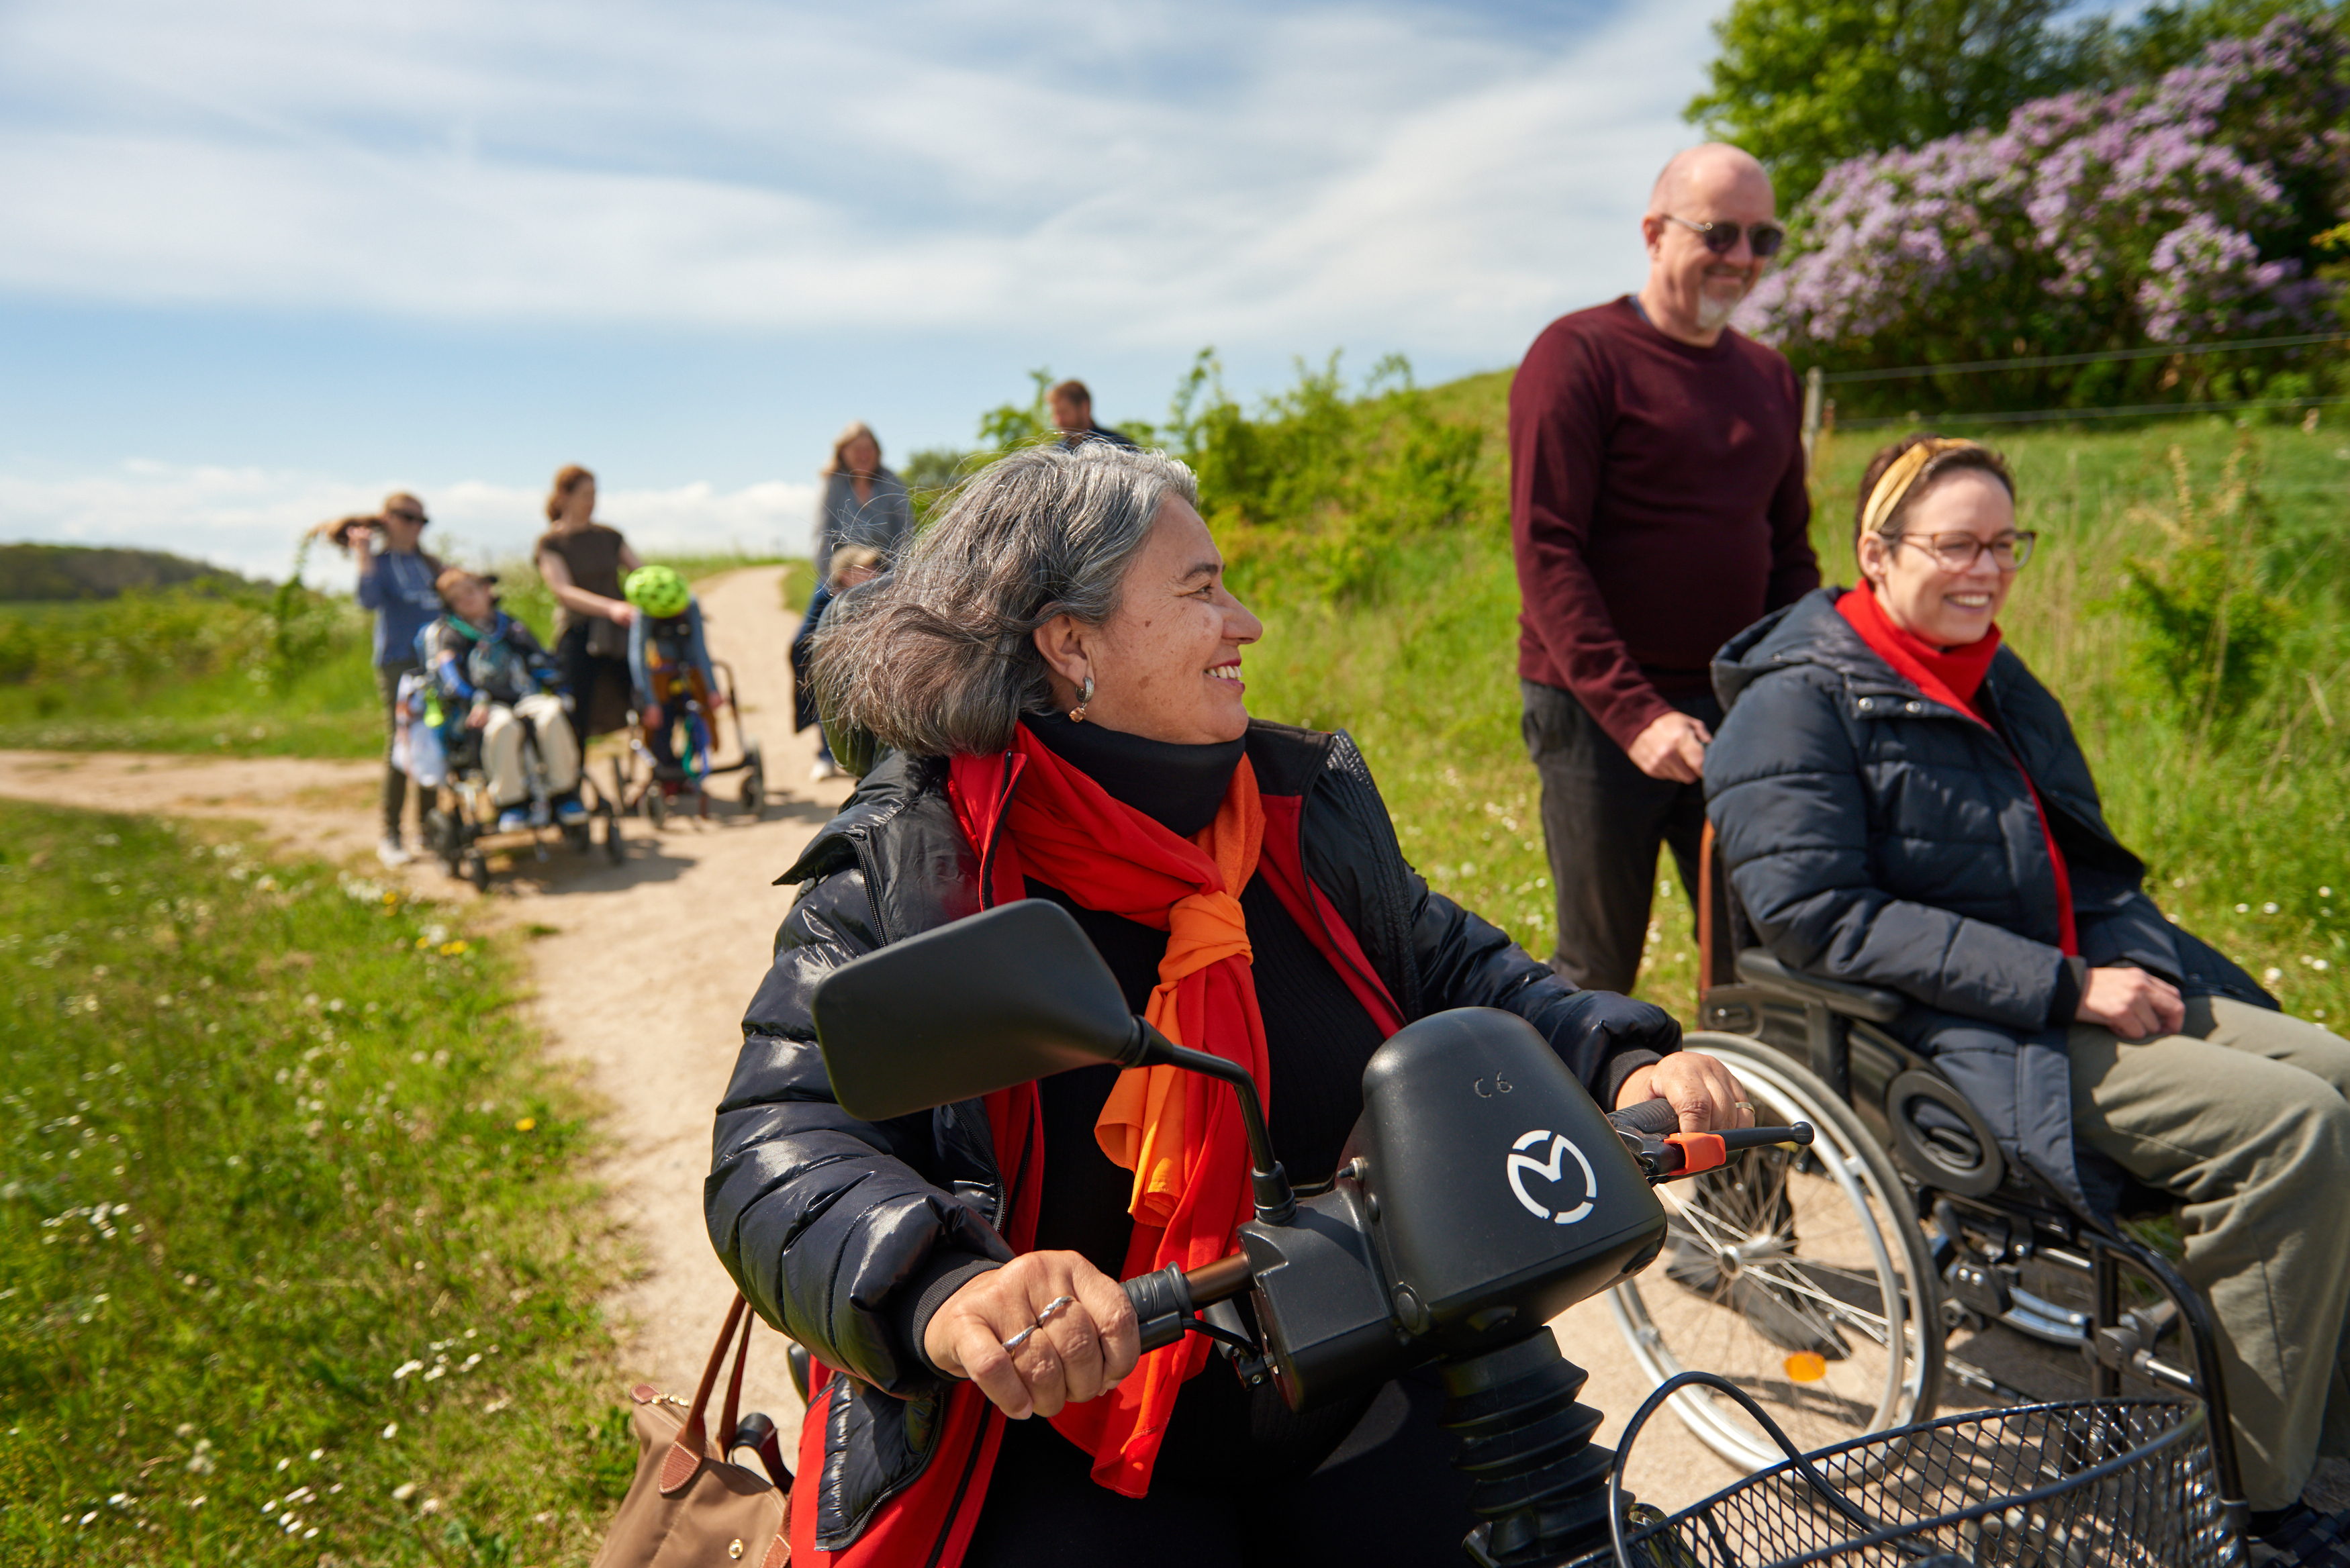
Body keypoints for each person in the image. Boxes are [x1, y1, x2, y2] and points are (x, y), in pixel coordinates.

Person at [706, 444, 1752, 1568]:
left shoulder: (1297, 812)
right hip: (1043, 1427)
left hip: (1355, 1357)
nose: (1245, 623)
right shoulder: (909, 871)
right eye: (1202, 590)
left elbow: (1459, 970)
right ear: (1070, 645)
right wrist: (951, 1290)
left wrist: (1621, 1058)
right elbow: (778, 1145)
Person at [1704, 433, 2350, 1562]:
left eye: (2007, 544)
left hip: (2069, 979)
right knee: (2294, 1127)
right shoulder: (1796, 705)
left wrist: (2130, 963)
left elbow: (2079, 862)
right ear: (1876, 552)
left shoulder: (1992, 675)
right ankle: (2249, 1499)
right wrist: (2067, 986)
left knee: (2339, 1070)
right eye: (1958, 545)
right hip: (1956, 1027)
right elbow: (1818, 917)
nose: (1989, 570)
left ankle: (2316, 1410)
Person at [1509, 142, 1819, 993]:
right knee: (1598, 964)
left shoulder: (1769, 376)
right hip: (1594, 710)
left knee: (1752, 948)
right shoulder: (1576, 355)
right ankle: (1592, 1084)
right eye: (1719, 233)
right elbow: (1546, 548)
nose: (1742, 258)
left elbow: (1790, 550)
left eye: (1763, 239)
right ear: (1653, 233)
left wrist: (1788, 684)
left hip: (1734, 705)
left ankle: (1737, 1080)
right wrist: (1633, 712)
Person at [421, 569, 585, 834]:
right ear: (449, 605)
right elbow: (450, 676)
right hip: (483, 704)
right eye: (457, 598)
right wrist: (475, 698)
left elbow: (538, 660)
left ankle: (564, 793)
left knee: (552, 713)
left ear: (486, 590)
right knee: (503, 726)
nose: (467, 600)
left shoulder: (509, 626)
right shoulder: (450, 634)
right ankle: (511, 802)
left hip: (524, 696)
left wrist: (558, 687)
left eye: (470, 592)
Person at [333, 495, 442, 867]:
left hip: (435, 661)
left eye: (422, 520)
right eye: (408, 518)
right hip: (399, 663)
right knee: (403, 743)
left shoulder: (428, 563)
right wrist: (363, 556)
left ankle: (430, 827)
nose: (416, 526)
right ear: (388, 518)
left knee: (435, 738)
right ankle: (391, 834)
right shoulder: (379, 563)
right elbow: (367, 601)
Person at [802, 423, 913, 780]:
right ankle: (825, 749)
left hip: (885, 581)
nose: (864, 456)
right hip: (837, 580)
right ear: (843, 453)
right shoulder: (833, 485)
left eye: (869, 449)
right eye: (857, 449)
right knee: (807, 650)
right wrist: (840, 582)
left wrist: (891, 582)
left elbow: (906, 535)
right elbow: (822, 538)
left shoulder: (892, 483)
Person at [535, 464, 643, 749]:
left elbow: (640, 573)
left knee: (647, 696)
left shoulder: (609, 536)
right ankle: (574, 770)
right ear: (564, 496)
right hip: (580, 629)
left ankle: (663, 762)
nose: (592, 502)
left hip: (620, 630)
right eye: (585, 495)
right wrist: (611, 608)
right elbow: (564, 591)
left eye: (595, 494)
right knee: (577, 706)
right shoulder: (551, 543)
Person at [789, 544, 883, 778]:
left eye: (874, 566)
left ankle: (867, 759)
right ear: (845, 575)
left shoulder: (877, 596)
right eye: (866, 568)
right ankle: (826, 757)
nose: (874, 571)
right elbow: (802, 642)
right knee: (829, 710)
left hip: (863, 667)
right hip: (827, 667)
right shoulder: (827, 601)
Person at [622, 563, 722, 780]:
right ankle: (665, 770)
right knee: (659, 722)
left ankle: (688, 769)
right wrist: (650, 703)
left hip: (691, 668)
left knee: (701, 718)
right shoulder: (644, 614)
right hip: (661, 672)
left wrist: (713, 689)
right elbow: (637, 657)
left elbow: (701, 648)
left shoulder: (691, 604)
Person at [1049, 379, 1139, 450]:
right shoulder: (1057, 453)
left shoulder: (1119, 446)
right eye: (1055, 413)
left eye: (1064, 412)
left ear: (1085, 408)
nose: (1057, 421)